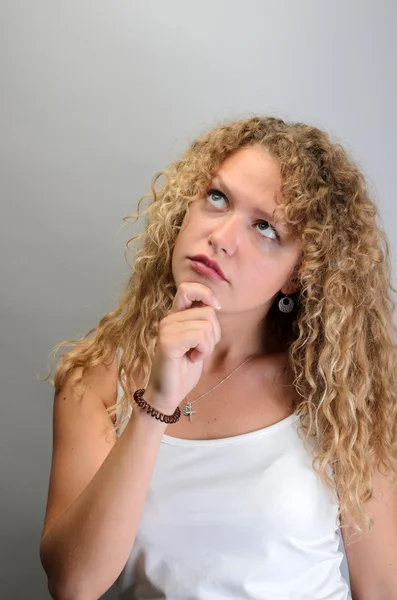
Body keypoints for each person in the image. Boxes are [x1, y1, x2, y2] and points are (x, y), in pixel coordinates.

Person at [39, 116, 397, 600]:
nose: (222, 236)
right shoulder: (96, 380)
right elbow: (72, 584)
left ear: (298, 274)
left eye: (266, 227)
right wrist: (157, 403)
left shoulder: (344, 395)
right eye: (217, 198)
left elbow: (379, 586)